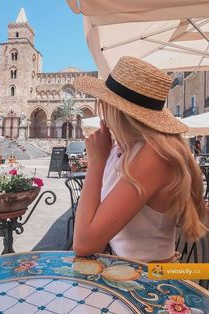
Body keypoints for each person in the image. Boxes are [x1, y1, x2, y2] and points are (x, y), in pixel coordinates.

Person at [72, 56, 207, 263]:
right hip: (127, 273)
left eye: (102, 102)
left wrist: (96, 163)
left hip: (152, 281)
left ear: (113, 108)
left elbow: (84, 244)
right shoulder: (125, 150)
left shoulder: (153, 155)